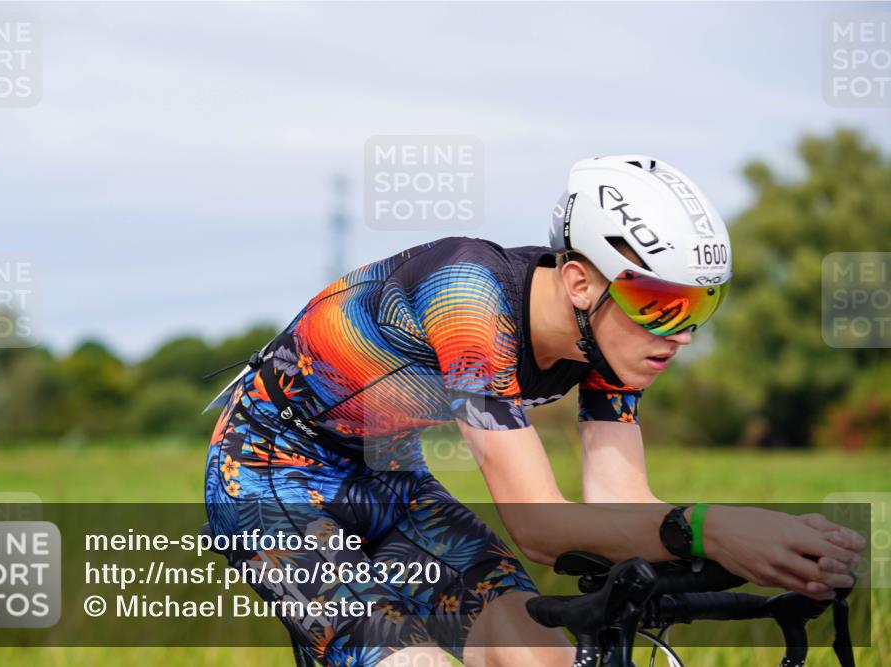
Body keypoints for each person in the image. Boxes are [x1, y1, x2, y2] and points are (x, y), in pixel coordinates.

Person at [203, 155, 864, 667]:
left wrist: (768, 547)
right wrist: (715, 528)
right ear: (580, 280)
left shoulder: (611, 334)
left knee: (539, 647)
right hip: (268, 475)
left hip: (390, 478)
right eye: (663, 304)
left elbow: (619, 499)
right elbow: (539, 527)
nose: (681, 335)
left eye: (699, 306)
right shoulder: (468, 297)